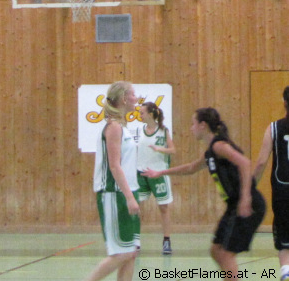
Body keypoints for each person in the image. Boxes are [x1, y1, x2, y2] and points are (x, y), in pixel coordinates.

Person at [143, 107, 265, 277]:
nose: (191, 128)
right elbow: (191, 168)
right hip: (233, 205)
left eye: (193, 124)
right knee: (216, 250)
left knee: (225, 254)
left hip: (247, 204)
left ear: (203, 125)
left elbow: (244, 163)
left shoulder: (219, 146)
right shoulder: (210, 152)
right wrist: (161, 172)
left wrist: (246, 197)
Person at [84, 81, 140, 281]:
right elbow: (114, 166)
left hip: (126, 192)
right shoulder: (113, 128)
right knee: (121, 253)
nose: (136, 99)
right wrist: (129, 197)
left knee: (131, 252)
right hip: (114, 194)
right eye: (133, 94)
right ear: (124, 98)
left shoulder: (123, 127)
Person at [253, 86, 289, 281]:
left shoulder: (273, 128)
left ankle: (285, 273)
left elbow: (261, 162)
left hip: (282, 191)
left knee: (284, 242)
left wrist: (250, 187)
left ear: (284, 103)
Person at [136, 101, 175, 255]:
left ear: (151, 114)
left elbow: (173, 150)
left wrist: (160, 149)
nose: (140, 115)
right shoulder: (139, 130)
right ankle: (135, 241)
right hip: (141, 173)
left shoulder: (163, 131)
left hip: (158, 173)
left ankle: (166, 240)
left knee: (163, 207)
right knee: (136, 207)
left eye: (142, 112)